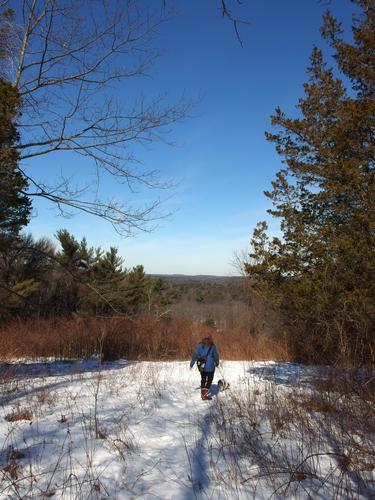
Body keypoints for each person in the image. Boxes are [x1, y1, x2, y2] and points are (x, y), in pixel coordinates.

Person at [190, 334, 219, 400]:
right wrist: (217, 363)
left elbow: (195, 355)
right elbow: (216, 356)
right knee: (209, 380)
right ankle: (205, 395)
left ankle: (203, 394)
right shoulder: (212, 346)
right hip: (210, 367)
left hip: (202, 367)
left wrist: (192, 364)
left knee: (203, 379)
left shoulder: (200, 346)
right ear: (210, 339)